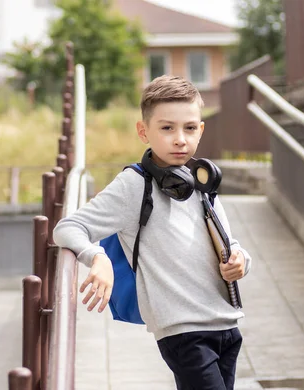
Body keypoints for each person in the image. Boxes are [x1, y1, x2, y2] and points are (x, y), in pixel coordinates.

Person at [53, 75, 252, 390]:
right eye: (167, 128)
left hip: (226, 324)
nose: (179, 139)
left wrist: (241, 260)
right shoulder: (134, 185)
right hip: (184, 332)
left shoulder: (201, 180)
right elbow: (68, 227)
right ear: (143, 131)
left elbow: (231, 244)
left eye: (189, 128)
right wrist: (97, 257)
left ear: (200, 130)